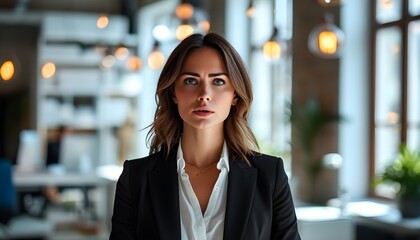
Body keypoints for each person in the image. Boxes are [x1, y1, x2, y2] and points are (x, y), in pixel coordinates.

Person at [110, 32, 300, 240]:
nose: (204, 94)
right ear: (174, 92)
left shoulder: (270, 176)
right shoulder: (136, 178)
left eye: (218, 81)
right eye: (191, 81)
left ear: (235, 94)